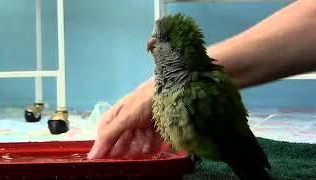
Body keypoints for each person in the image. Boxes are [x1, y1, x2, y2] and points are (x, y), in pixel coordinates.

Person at [87, 0, 316, 159]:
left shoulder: (198, 95)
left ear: (179, 49)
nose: (151, 43)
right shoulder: (166, 88)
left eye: (163, 39)